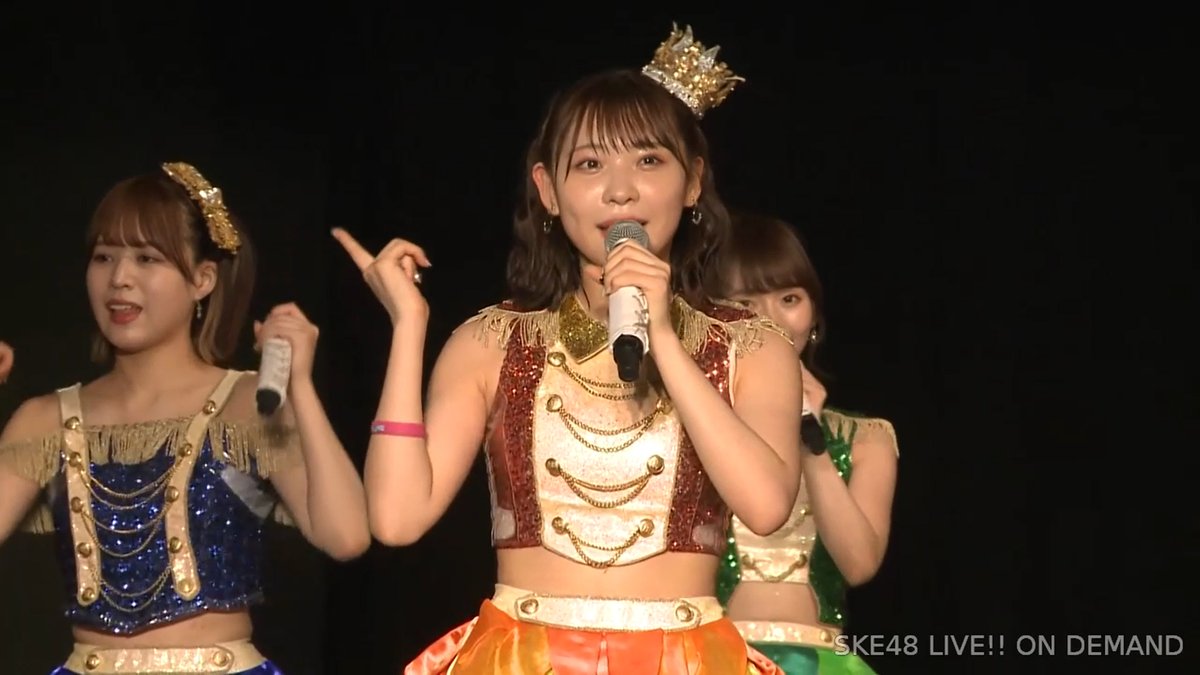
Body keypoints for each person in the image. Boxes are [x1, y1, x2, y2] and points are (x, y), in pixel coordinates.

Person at [333, 22, 805, 675]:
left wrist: (665, 338)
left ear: (694, 181)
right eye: (589, 164)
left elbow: (767, 505)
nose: (620, 189)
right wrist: (409, 326)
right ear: (548, 190)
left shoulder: (751, 347)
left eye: (648, 161)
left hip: (686, 656)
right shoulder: (492, 341)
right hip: (523, 656)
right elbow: (396, 518)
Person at [0, 162, 371, 674]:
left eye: (147, 258)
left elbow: (346, 536)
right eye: (104, 256)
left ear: (202, 279)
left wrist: (300, 386)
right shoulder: (45, 420)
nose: (119, 279)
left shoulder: (247, 403)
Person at [713, 212, 899, 674]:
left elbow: (859, 564)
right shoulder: (696, 429)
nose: (771, 320)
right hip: (710, 657)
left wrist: (810, 442)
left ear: (813, 314)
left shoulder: (866, 438)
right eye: (746, 302)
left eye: (789, 299)